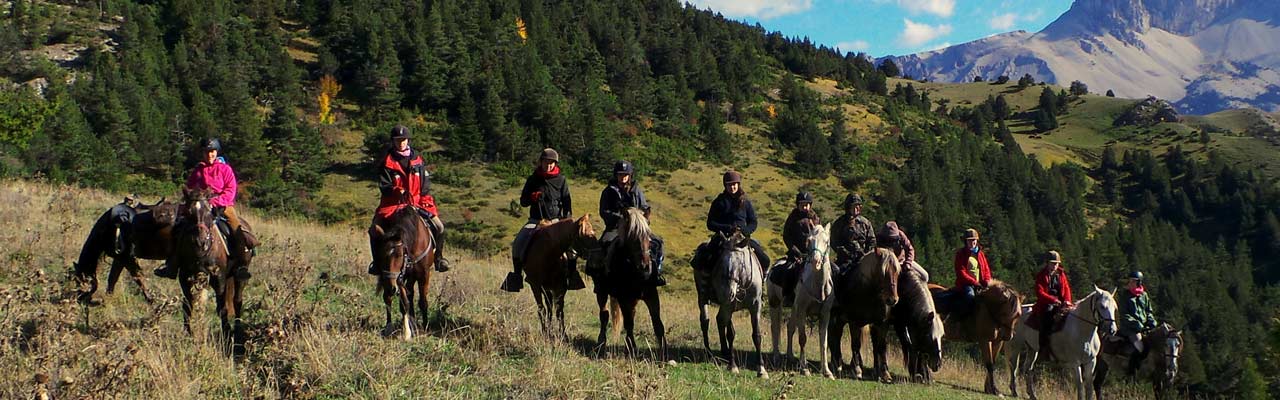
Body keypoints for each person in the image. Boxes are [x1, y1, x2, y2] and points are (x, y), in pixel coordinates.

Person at [156, 138, 258, 279]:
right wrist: (192, 200)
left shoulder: (225, 169)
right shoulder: (198, 170)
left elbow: (230, 190)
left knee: (236, 227)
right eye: (207, 152)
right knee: (177, 226)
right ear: (202, 153)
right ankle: (172, 264)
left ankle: (240, 264)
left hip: (222, 205)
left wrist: (215, 201)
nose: (210, 155)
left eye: (212, 152)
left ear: (216, 152)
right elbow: (190, 188)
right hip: (199, 205)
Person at [367, 125, 450, 275]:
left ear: (408, 140)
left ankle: (439, 259)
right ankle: (377, 264)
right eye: (398, 140)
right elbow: (384, 186)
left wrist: (421, 197)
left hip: (418, 202)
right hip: (392, 204)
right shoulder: (386, 162)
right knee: (374, 229)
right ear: (393, 141)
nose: (401, 143)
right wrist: (397, 191)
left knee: (440, 227)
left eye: (403, 140)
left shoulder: (417, 160)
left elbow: (425, 182)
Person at [501, 148, 583, 292]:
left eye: (552, 163)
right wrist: (532, 197)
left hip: (556, 221)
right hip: (536, 221)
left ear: (555, 164)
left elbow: (566, 201)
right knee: (518, 243)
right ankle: (516, 277)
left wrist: (566, 220)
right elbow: (523, 202)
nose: (549, 165)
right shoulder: (533, 179)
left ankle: (572, 275)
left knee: (573, 249)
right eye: (546, 162)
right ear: (541, 162)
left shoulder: (561, 180)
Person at [596, 160, 665, 286]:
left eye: (625, 174)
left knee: (658, 243)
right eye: (620, 174)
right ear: (616, 175)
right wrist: (621, 218)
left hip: (636, 229)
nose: (623, 177)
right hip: (615, 228)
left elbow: (644, 207)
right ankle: (602, 275)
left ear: (630, 176)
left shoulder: (636, 190)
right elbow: (604, 211)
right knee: (604, 243)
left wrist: (642, 219)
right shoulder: (608, 191)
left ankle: (657, 272)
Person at [695, 170, 769, 274]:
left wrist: (745, 231)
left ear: (738, 185)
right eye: (729, 185)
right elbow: (710, 223)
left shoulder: (746, 202)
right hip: (723, 237)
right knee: (704, 259)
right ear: (725, 186)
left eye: (734, 184)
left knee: (765, 259)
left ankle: (762, 279)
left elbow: (753, 222)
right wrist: (727, 228)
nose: (732, 187)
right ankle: (706, 283)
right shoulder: (719, 202)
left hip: (742, 237)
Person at [936, 228, 992, 319]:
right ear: (965, 241)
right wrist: (974, 283)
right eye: (969, 240)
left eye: (973, 240)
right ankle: (958, 319)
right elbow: (961, 272)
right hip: (966, 285)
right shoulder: (961, 254)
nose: (972, 242)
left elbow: (986, 269)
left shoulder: (980, 254)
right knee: (970, 297)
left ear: (976, 241)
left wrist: (986, 281)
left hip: (980, 285)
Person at [774, 191, 821, 299]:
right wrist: (795, 250)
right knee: (789, 270)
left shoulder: (815, 219)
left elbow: (819, 235)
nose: (805, 207)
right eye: (802, 205)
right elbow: (786, 236)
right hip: (796, 253)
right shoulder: (792, 218)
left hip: (812, 252)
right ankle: (788, 295)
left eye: (807, 204)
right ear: (798, 205)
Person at [1032, 250, 1073, 359]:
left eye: (1057, 263)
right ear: (1047, 263)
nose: (1055, 265)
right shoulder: (1041, 275)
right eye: (1053, 263)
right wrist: (1053, 300)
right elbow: (1040, 292)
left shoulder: (1061, 274)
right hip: (1046, 304)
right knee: (1046, 320)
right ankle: (1044, 349)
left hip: (1060, 303)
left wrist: (1067, 301)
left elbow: (1066, 288)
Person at [1117, 270, 1159, 375]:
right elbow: (1124, 314)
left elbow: (1148, 311)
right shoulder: (1125, 296)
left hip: (1144, 328)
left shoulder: (1144, 295)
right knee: (1140, 347)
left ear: (1139, 282)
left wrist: (1152, 321)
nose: (1130, 283)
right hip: (1130, 329)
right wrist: (1137, 324)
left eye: (1133, 281)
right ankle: (1131, 372)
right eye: (1130, 281)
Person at [830, 193, 875, 270]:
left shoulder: (865, 223)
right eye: (853, 206)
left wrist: (866, 254)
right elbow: (833, 241)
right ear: (848, 208)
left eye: (857, 206)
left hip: (863, 259)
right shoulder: (839, 223)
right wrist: (843, 252)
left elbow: (872, 240)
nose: (855, 209)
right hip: (845, 261)